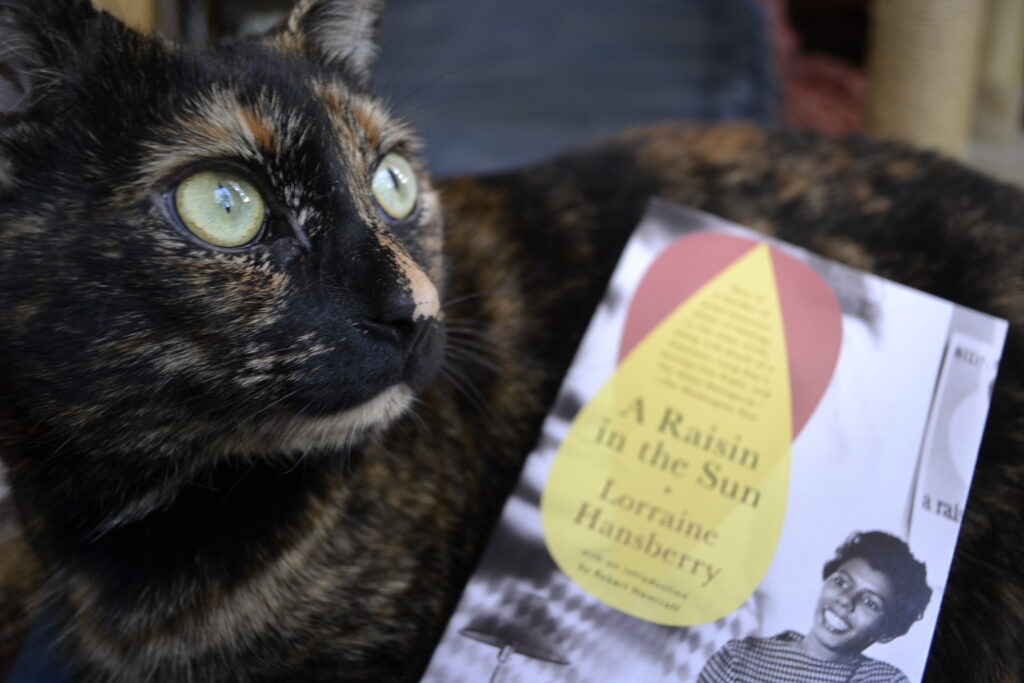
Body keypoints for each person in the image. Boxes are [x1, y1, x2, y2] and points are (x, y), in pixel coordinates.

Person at [698, 531, 932, 682]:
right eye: (841, 582)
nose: (845, 599)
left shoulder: (885, 681)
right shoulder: (737, 659)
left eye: (870, 602)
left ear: (887, 630)